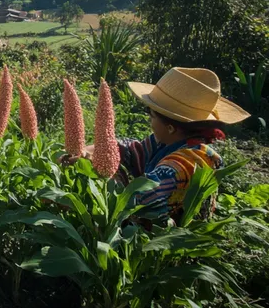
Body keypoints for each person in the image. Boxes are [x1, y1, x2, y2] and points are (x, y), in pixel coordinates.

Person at [64, 67, 250, 224]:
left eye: (152, 116)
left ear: (170, 127)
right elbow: (131, 148)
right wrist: (87, 151)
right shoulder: (172, 140)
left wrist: (93, 180)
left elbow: (138, 198)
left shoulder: (189, 163)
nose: (149, 122)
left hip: (164, 253)